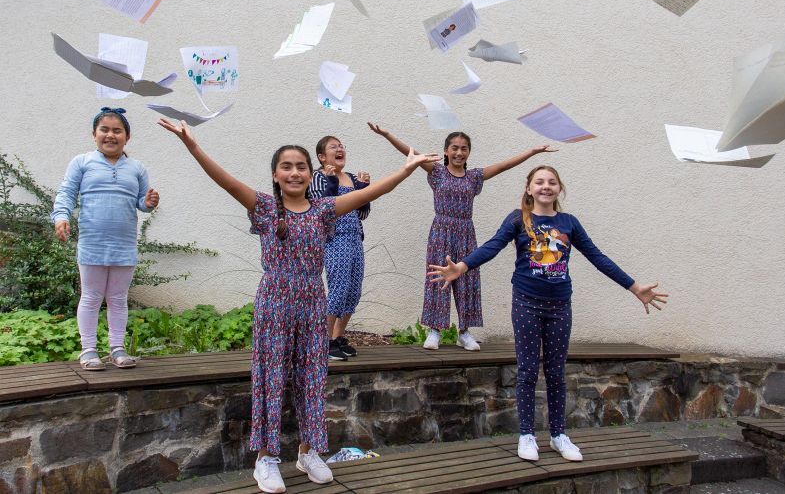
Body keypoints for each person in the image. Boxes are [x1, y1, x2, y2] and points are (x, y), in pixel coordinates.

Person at [157, 117, 438, 494]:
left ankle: (309, 452)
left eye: (301, 166)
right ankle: (266, 458)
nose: (294, 172)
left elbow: (371, 194)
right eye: (286, 166)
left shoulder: (323, 210)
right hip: (274, 303)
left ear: (311, 172)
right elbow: (224, 180)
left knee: (312, 378)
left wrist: (405, 170)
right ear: (275, 174)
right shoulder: (264, 208)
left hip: (311, 303)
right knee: (271, 379)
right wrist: (192, 145)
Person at [428, 165, 668, 463]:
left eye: (551, 182)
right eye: (539, 182)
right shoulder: (518, 220)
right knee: (528, 370)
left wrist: (634, 287)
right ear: (529, 189)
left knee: (556, 373)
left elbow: (598, 257)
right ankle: (527, 435)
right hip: (526, 303)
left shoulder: (569, 223)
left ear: (559, 189)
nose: (545, 186)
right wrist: (461, 267)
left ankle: (558, 436)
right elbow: (492, 246)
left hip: (559, 306)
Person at [368, 122, 556, 351]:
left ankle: (464, 332)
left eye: (464, 148)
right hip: (441, 230)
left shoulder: (474, 177)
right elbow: (410, 153)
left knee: (468, 279)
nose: (459, 152)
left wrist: (533, 152)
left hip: (466, 232)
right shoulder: (436, 171)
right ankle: (434, 330)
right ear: (446, 151)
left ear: (469, 152)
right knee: (438, 277)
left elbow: (504, 166)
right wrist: (387, 134)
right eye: (454, 148)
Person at [52, 107, 159, 371]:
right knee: (90, 297)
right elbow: (66, 193)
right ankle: (88, 350)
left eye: (117, 130)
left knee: (118, 298)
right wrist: (61, 217)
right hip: (92, 243)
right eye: (105, 129)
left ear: (127, 137)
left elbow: (141, 203)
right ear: (94, 134)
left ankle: (117, 349)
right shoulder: (82, 162)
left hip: (124, 245)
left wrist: (147, 203)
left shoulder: (137, 167)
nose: (110, 135)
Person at [309, 136, 371, 361]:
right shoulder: (318, 176)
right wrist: (331, 180)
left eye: (341, 146)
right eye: (333, 147)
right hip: (335, 239)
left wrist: (363, 190)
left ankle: (337, 338)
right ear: (322, 157)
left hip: (355, 238)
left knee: (354, 290)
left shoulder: (352, 178)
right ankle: (323, 342)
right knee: (338, 288)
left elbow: (362, 213)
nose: (340, 149)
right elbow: (322, 208)